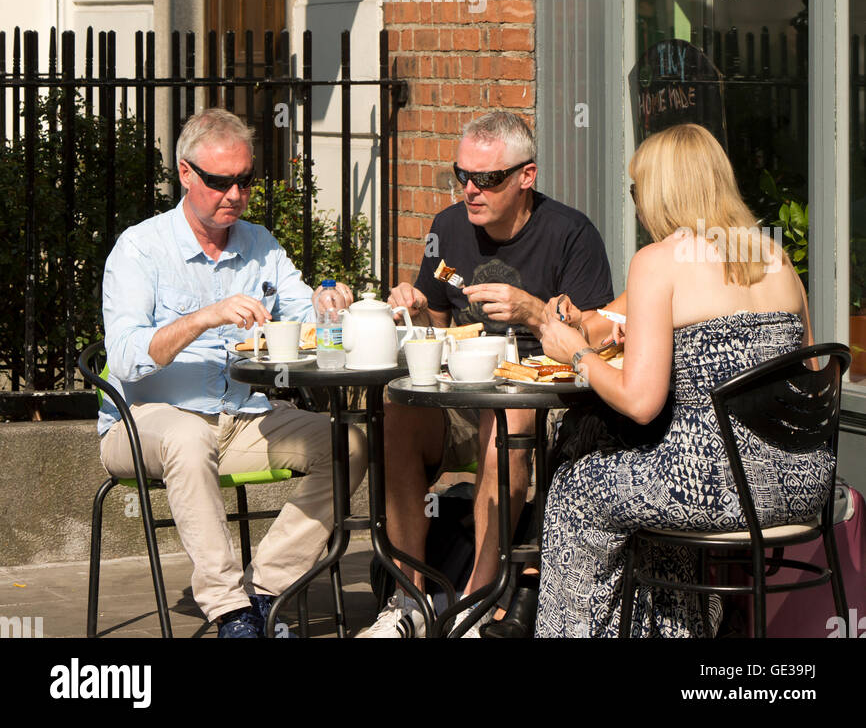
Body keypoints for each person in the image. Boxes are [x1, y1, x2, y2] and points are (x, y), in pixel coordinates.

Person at [534, 122, 835, 638]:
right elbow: (804, 377)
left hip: (716, 489)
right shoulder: (777, 258)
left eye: (636, 190)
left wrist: (578, 353)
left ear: (659, 192)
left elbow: (641, 403)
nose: (635, 204)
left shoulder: (658, 262)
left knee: (575, 487)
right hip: (806, 486)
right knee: (650, 496)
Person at [99, 108, 366, 639]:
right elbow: (126, 357)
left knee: (351, 443)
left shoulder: (260, 244)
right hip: (145, 423)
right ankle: (228, 610)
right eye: (221, 182)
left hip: (243, 418)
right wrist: (204, 316)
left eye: (245, 180)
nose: (236, 194)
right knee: (188, 436)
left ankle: (267, 590)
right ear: (185, 173)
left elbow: (304, 312)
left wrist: (326, 302)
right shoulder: (140, 249)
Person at [357, 110, 613, 638]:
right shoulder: (448, 227)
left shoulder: (570, 233)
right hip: (459, 393)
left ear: (526, 176)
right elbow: (438, 323)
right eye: (462, 175)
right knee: (395, 407)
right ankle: (407, 602)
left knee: (509, 412)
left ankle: (476, 602)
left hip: (538, 405)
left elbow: (601, 340)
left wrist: (535, 312)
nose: (471, 190)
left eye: (487, 179)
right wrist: (413, 308)